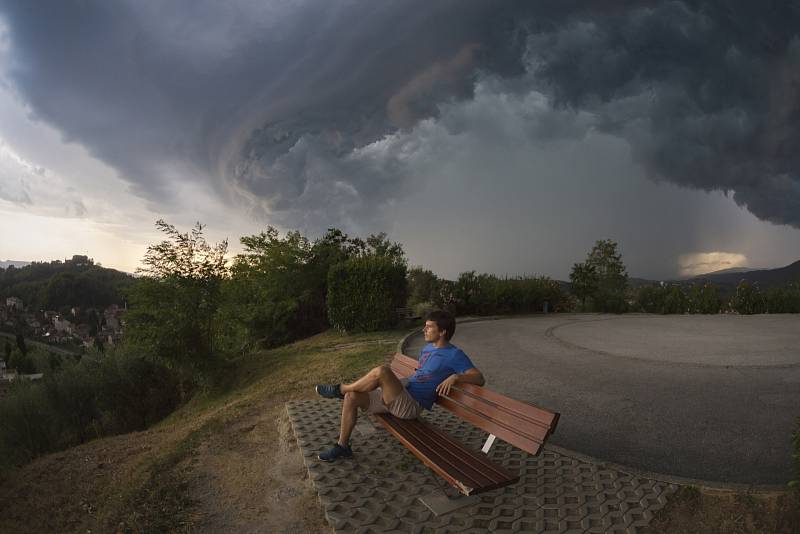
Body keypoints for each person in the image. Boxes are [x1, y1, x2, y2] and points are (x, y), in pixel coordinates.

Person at [314, 309, 485, 462]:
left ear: (442, 332)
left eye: (429, 327)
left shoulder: (454, 354)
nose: (424, 330)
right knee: (352, 398)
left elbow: (479, 378)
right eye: (425, 326)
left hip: (410, 406)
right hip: (400, 394)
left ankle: (341, 389)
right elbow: (423, 374)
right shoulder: (427, 349)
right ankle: (342, 447)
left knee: (382, 371)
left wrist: (455, 377)